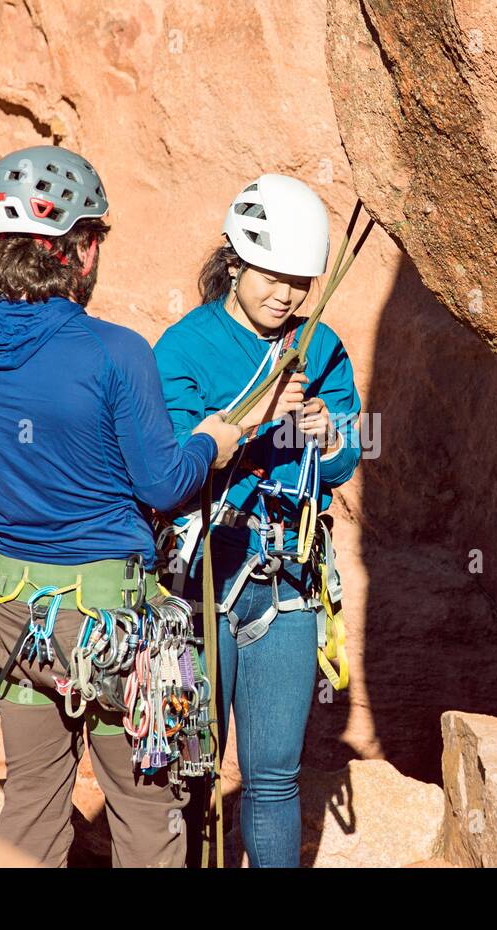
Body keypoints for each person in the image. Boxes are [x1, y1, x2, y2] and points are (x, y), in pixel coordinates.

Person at [0, 145, 293, 867]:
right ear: (81, 250)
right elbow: (164, 484)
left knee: (30, 800)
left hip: (13, 626)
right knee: (146, 814)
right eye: (95, 238)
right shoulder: (114, 353)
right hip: (112, 633)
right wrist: (213, 443)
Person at [153, 173, 363, 867]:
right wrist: (258, 421)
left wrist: (328, 437)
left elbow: (341, 463)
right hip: (204, 572)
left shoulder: (320, 344)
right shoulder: (182, 348)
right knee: (193, 768)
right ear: (236, 260)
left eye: (301, 281)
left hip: (288, 576)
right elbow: (177, 468)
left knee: (273, 775)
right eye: (272, 275)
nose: (287, 294)